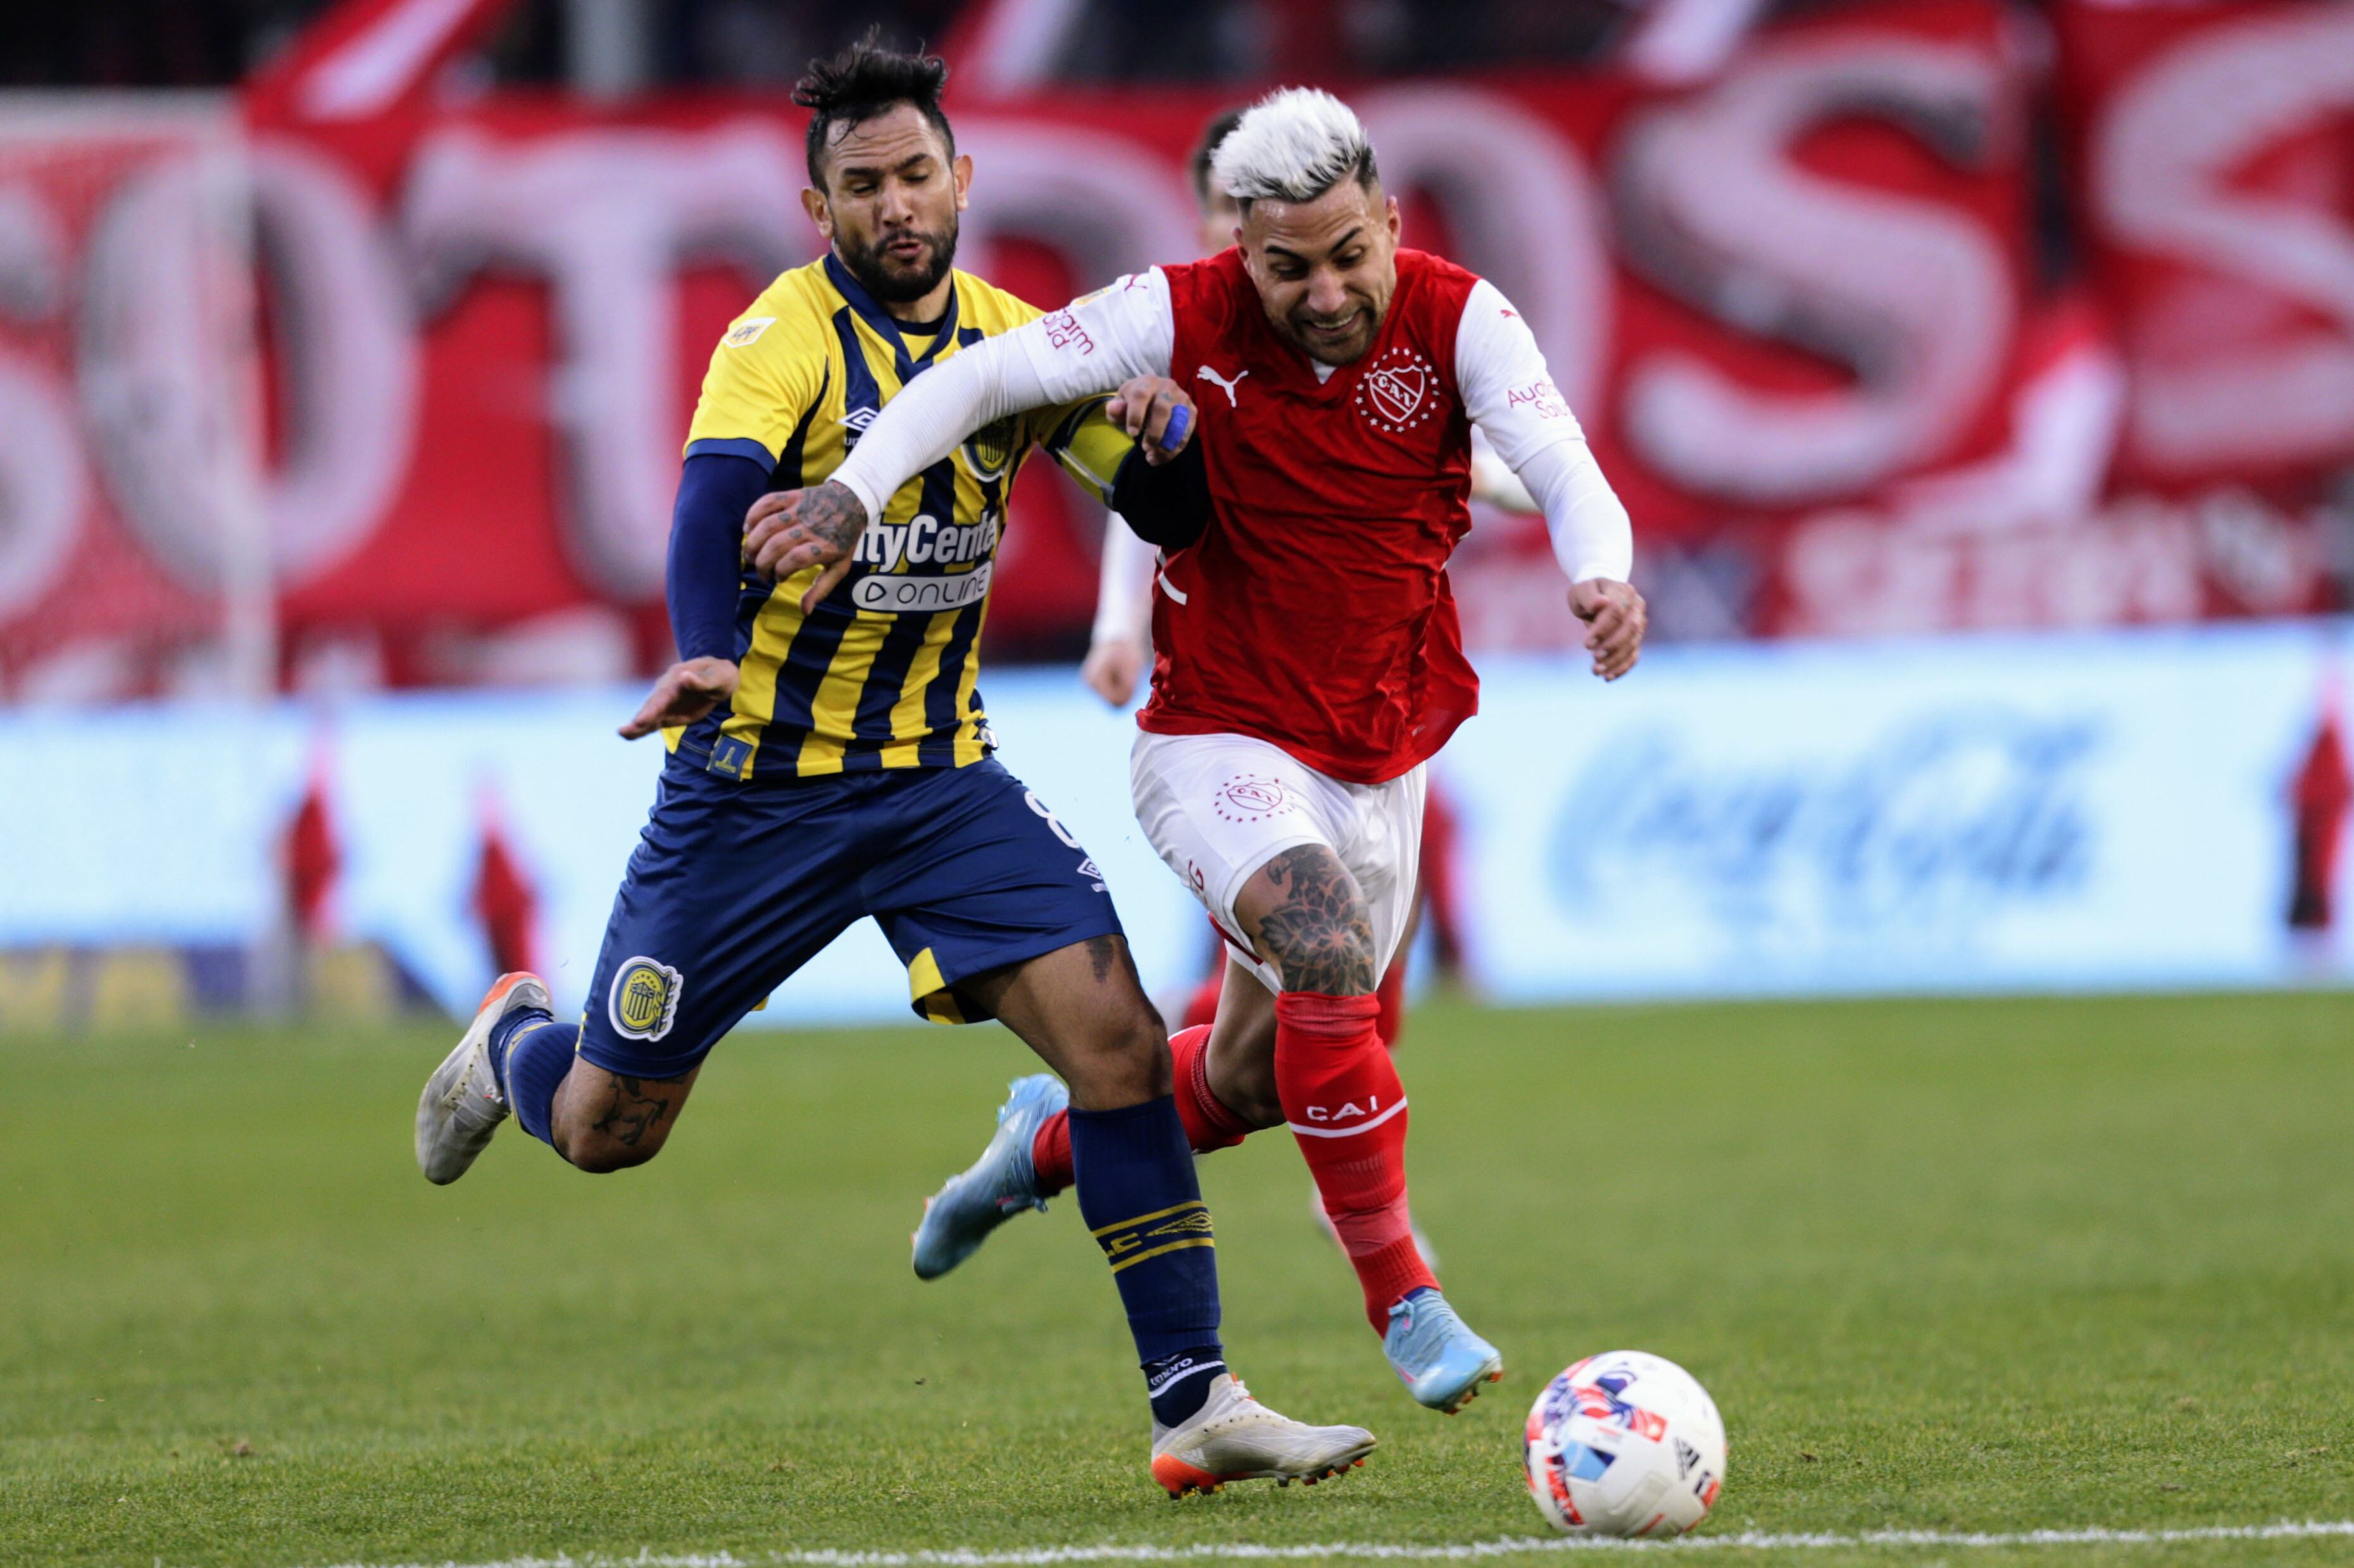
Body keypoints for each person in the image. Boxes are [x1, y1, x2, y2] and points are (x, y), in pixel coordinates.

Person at [411, 40, 1374, 1499]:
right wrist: (707, 645)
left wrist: (1171, 445)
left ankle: (1197, 1404)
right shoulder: (778, 339)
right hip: (754, 792)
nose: (897, 206)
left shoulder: (1017, 340)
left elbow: (1165, 511)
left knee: (1116, 1051)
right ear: (821, 210)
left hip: (939, 785)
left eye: (918, 174)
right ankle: (512, 1046)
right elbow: (714, 499)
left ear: (963, 180)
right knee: (610, 1131)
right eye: (863, 186)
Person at [742, 86, 1644, 1418]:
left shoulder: (1464, 317)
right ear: (1241, 245)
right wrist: (851, 490)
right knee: (1328, 945)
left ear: (1390, 220)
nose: (1327, 290)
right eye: (1289, 267)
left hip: (1382, 751)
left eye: (1351, 255)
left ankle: (1039, 1146)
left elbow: (1561, 464)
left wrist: (1603, 574)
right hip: (1216, 734)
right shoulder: (1177, 311)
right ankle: (1404, 1296)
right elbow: (988, 375)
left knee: (1252, 1073)